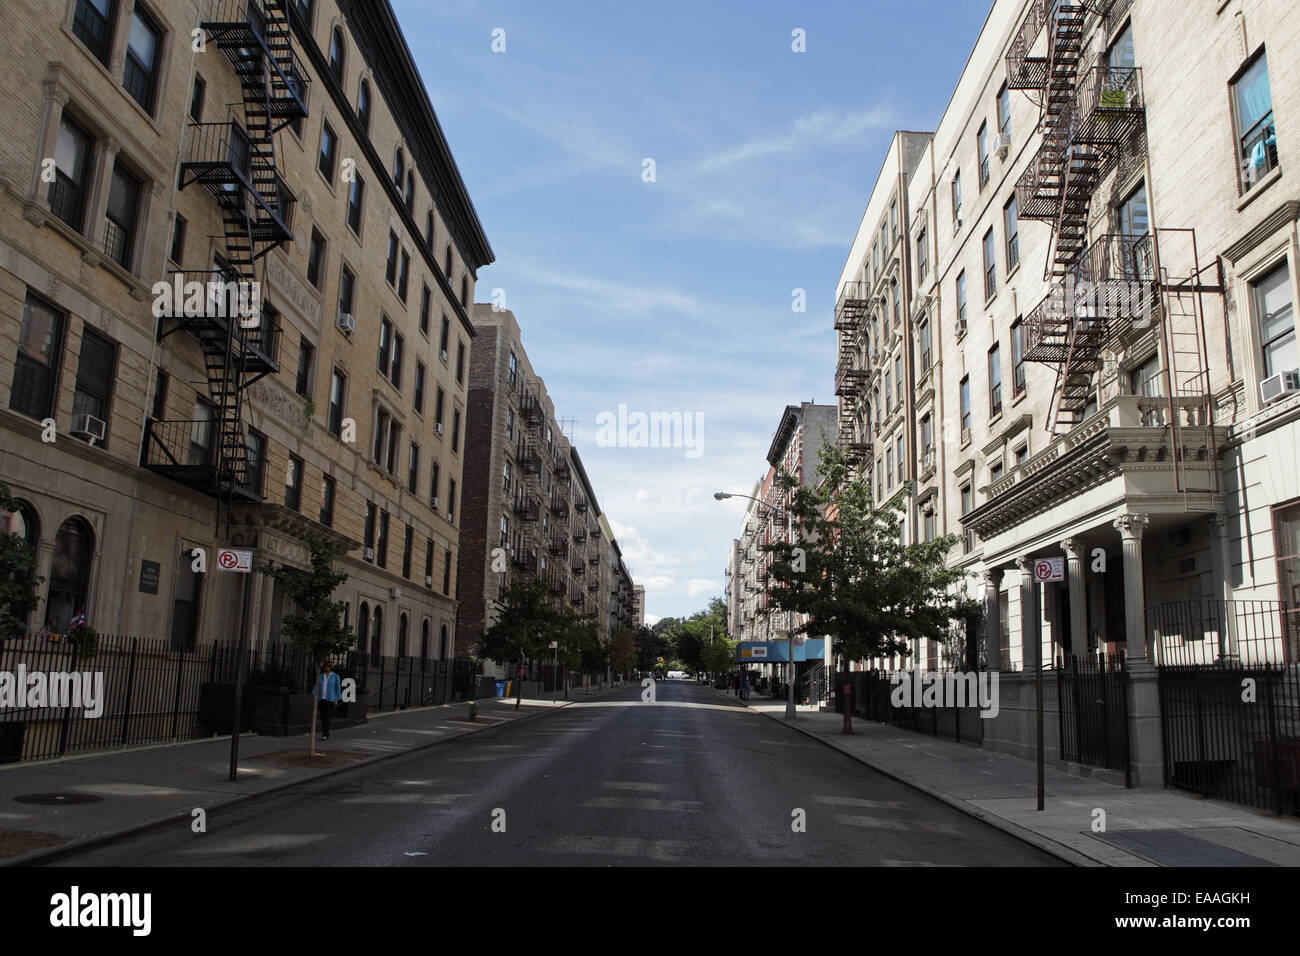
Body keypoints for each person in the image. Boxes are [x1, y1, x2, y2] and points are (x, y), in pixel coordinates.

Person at [315, 660, 341, 741]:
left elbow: (338, 688)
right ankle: (325, 732)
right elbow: (316, 686)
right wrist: (314, 695)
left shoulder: (335, 676)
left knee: (327, 716)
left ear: (330, 667)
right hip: (321, 698)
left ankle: (325, 734)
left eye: (328, 666)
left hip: (330, 699)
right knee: (322, 716)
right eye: (325, 666)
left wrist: (336, 699)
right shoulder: (321, 676)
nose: (326, 667)